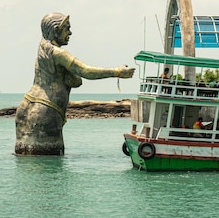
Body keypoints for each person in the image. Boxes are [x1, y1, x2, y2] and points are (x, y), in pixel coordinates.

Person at [15, 12, 135, 155]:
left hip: (25, 107)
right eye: (66, 28)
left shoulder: (42, 53)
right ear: (56, 30)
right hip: (46, 110)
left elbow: (74, 80)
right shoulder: (58, 53)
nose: (70, 33)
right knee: (50, 166)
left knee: (28, 159)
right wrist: (118, 72)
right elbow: (86, 71)